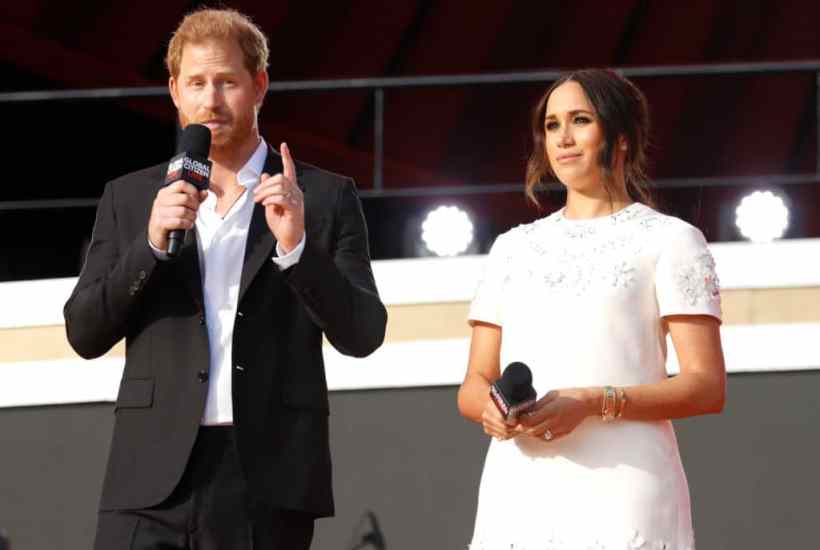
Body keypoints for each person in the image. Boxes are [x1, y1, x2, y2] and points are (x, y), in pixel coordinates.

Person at [64, 8, 387, 550]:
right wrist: (150, 245)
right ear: (174, 91)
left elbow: (364, 333)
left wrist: (297, 248)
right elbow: (84, 332)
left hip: (268, 477)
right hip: (148, 475)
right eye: (195, 83)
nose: (210, 100)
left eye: (227, 82)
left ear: (259, 85)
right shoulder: (131, 197)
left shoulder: (322, 197)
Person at [457, 69, 725, 549]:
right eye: (552, 124)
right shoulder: (512, 248)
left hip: (625, 488)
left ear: (621, 136)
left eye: (580, 120)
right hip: (519, 489)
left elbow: (706, 387)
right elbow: (474, 383)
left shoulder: (670, 240)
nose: (563, 137)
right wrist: (492, 412)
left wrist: (593, 402)